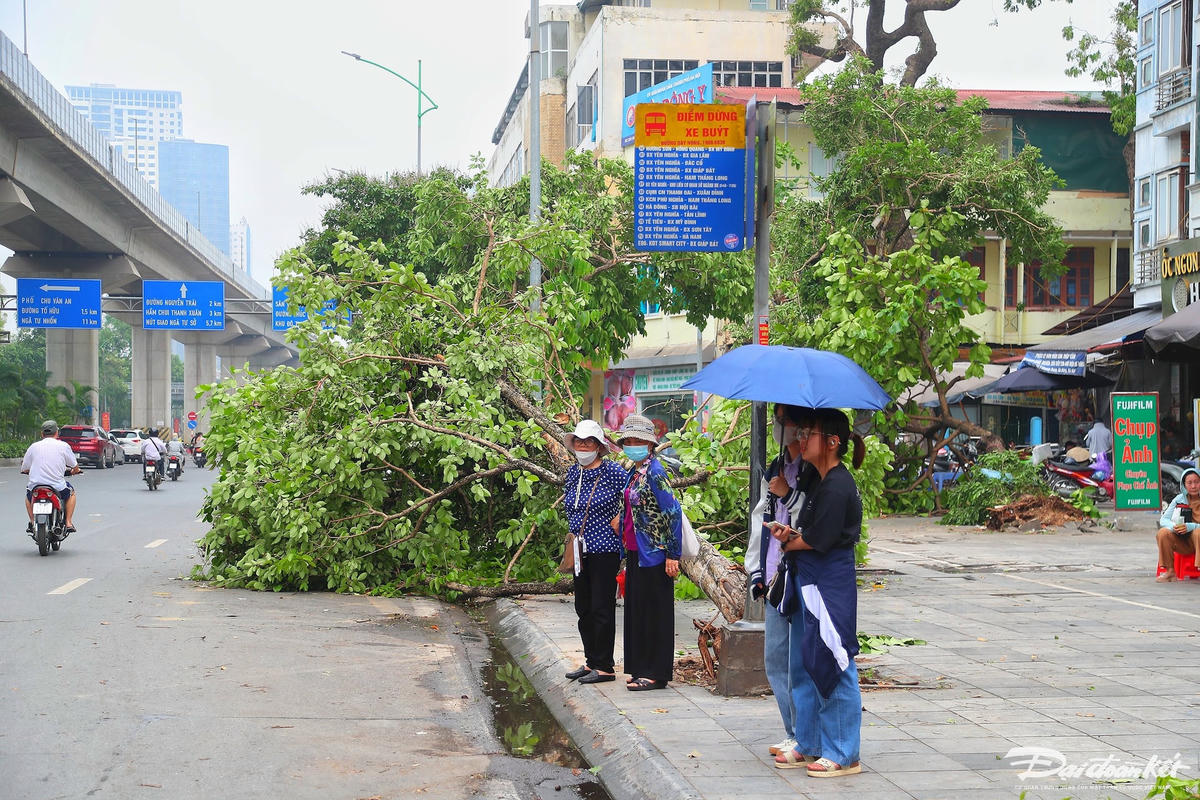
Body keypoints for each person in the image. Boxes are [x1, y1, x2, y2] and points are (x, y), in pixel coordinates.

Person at [772, 407, 865, 778]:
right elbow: (805, 531)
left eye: (808, 432)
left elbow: (817, 539)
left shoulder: (839, 484)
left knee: (835, 659)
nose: (800, 437)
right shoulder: (817, 479)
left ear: (831, 442)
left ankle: (844, 753)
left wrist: (791, 542)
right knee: (811, 659)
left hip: (829, 581)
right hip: (812, 579)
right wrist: (789, 537)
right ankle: (812, 743)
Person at [747, 404, 819, 761]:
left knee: (799, 664)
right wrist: (756, 572)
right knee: (775, 659)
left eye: (786, 420)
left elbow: (810, 519)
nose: (781, 427)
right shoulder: (776, 468)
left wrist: (788, 490)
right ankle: (792, 731)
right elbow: (761, 517)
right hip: (775, 578)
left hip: (801, 577)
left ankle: (804, 735)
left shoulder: (812, 472)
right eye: (778, 420)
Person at [617, 414, 682, 692]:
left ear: (650, 444)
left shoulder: (656, 472)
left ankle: (656, 673)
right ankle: (640, 667)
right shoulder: (635, 471)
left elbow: (672, 511)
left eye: (638, 441)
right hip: (636, 551)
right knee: (638, 612)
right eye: (629, 440)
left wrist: (672, 554)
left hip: (656, 553)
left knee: (655, 613)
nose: (633, 445)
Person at [561, 420, 627, 685]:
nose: (583, 446)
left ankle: (605, 666)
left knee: (602, 607)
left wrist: (621, 517)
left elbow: (637, 496)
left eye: (589, 442)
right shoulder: (572, 473)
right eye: (579, 441)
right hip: (579, 549)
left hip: (604, 549)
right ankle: (590, 661)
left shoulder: (612, 472)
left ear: (599, 447)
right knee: (583, 607)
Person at [21, 420, 82, 533]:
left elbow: (24, 467)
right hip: (57, 487)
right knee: (71, 493)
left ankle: (32, 522)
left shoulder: (33, 447)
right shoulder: (63, 446)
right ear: (56, 433)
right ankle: (68, 522)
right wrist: (75, 471)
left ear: (42, 433)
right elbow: (74, 465)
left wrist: (27, 471)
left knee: (28, 496)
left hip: (35, 487)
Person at [1155, 468, 1200, 582]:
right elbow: (1164, 519)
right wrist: (1174, 527)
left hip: (1198, 538)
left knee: (1198, 532)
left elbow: (1195, 529)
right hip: (1184, 541)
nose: (1194, 486)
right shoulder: (1179, 499)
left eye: (1196, 482)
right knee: (1163, 532)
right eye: (1189, 483)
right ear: (1184, 485)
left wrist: (1192, 526)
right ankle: (1170, 571)